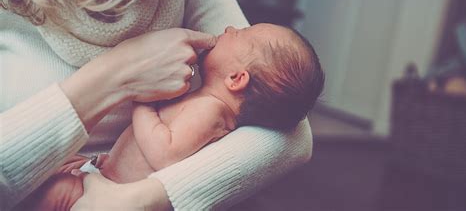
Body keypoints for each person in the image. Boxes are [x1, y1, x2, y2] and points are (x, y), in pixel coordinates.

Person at [0, 0, 314, 210]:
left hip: (104, 183)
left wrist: (140, 200)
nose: (230, 30)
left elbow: (293, 135)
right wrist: (121, 77)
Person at [27, 23, 325, 210]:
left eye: (241, 34)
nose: (231, 27)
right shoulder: (205, 101)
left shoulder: (210, 111)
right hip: (105, 171)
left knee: (55, 192)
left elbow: (165, 152)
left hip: (111, 193)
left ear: (236, 78)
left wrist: (140, 100)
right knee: (52, 167)